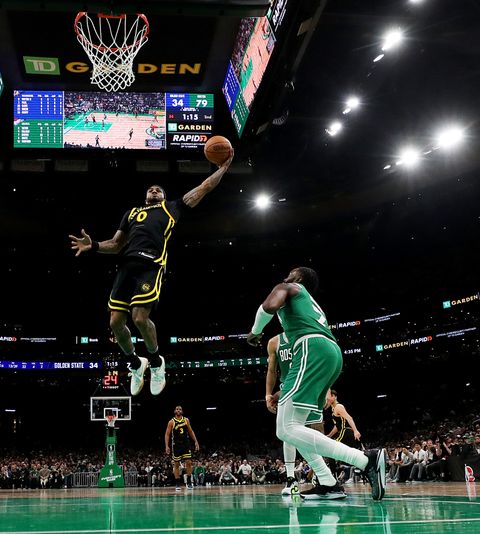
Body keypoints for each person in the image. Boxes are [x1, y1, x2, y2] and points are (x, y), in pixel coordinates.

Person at [70, 155, 233, 396]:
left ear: (163, 196)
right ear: (146, 196)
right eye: (151, 189)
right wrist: (92, 245)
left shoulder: (172, 208)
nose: (154, 190)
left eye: (158, 189)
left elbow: (204, 187)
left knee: (138, 318)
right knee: (115, 323)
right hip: (127, 266)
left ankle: (156, 363)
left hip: (151, 265)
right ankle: (136, 365)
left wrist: (223, 168)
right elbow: (115, 244)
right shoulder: (132, 212)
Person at [247, 267, 386, 500]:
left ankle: (365, 460)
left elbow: (268, 306)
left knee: (286, 429)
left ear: (299, 278)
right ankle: (327, 481)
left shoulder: (291, 288)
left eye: (290, 272)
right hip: (329, 352)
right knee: (295, 429)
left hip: (311, 348)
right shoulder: (309, 303)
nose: (285, 276)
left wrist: (254, 332)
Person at [266, 333, 325, 496]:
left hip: (310, 386)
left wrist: (325, 389)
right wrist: (267, 394)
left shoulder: (307, 334)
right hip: (288, 389)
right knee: (287, 433)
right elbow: (272, 370)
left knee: (316, 431)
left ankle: (320, 475)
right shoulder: (274, 342)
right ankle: (291, 478)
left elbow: (321, 362)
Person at [164, 406, 199, 489]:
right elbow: (167, 434)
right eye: (177, 409)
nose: (178, 410)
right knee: (176, 464)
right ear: (174, 411)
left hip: (186, 444)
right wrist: (166, 446)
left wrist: (196, 441)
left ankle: (189, 482)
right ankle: (177, 483)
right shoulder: (171, 422)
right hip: (176, 445)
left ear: (182, 411)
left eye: (180, 409)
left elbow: (190, 431)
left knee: (189, 462)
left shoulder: (186, 420)